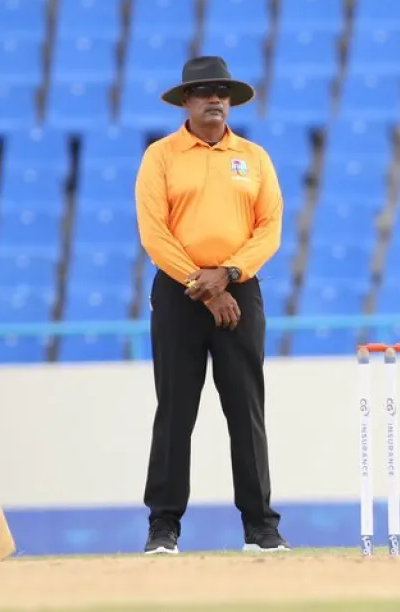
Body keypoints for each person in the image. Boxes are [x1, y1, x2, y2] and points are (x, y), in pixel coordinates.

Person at [134, 56, 288, 554]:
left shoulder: (254, 157)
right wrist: (204, 283)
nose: (216, 99)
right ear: (186, 101)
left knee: (246, 410)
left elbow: (270, 228)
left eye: (223, 91)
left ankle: (261, 526)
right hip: (181, 292)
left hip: (239, 290)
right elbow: (154, 232)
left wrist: (231, 275)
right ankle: (164, 526)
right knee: (176, 410)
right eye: (204, 91)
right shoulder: (161, 156)